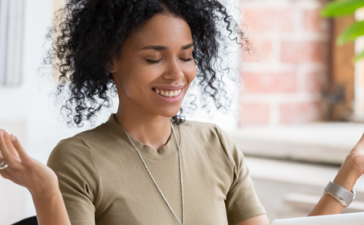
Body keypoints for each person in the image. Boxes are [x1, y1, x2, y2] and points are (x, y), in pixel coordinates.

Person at [1, 0, 364, 225]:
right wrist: (46, 192)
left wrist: (351, 170)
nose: (177, 73)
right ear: (110, 59)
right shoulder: (79, 159)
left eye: (187, 56)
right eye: (154, 58)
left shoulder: (215, 144)